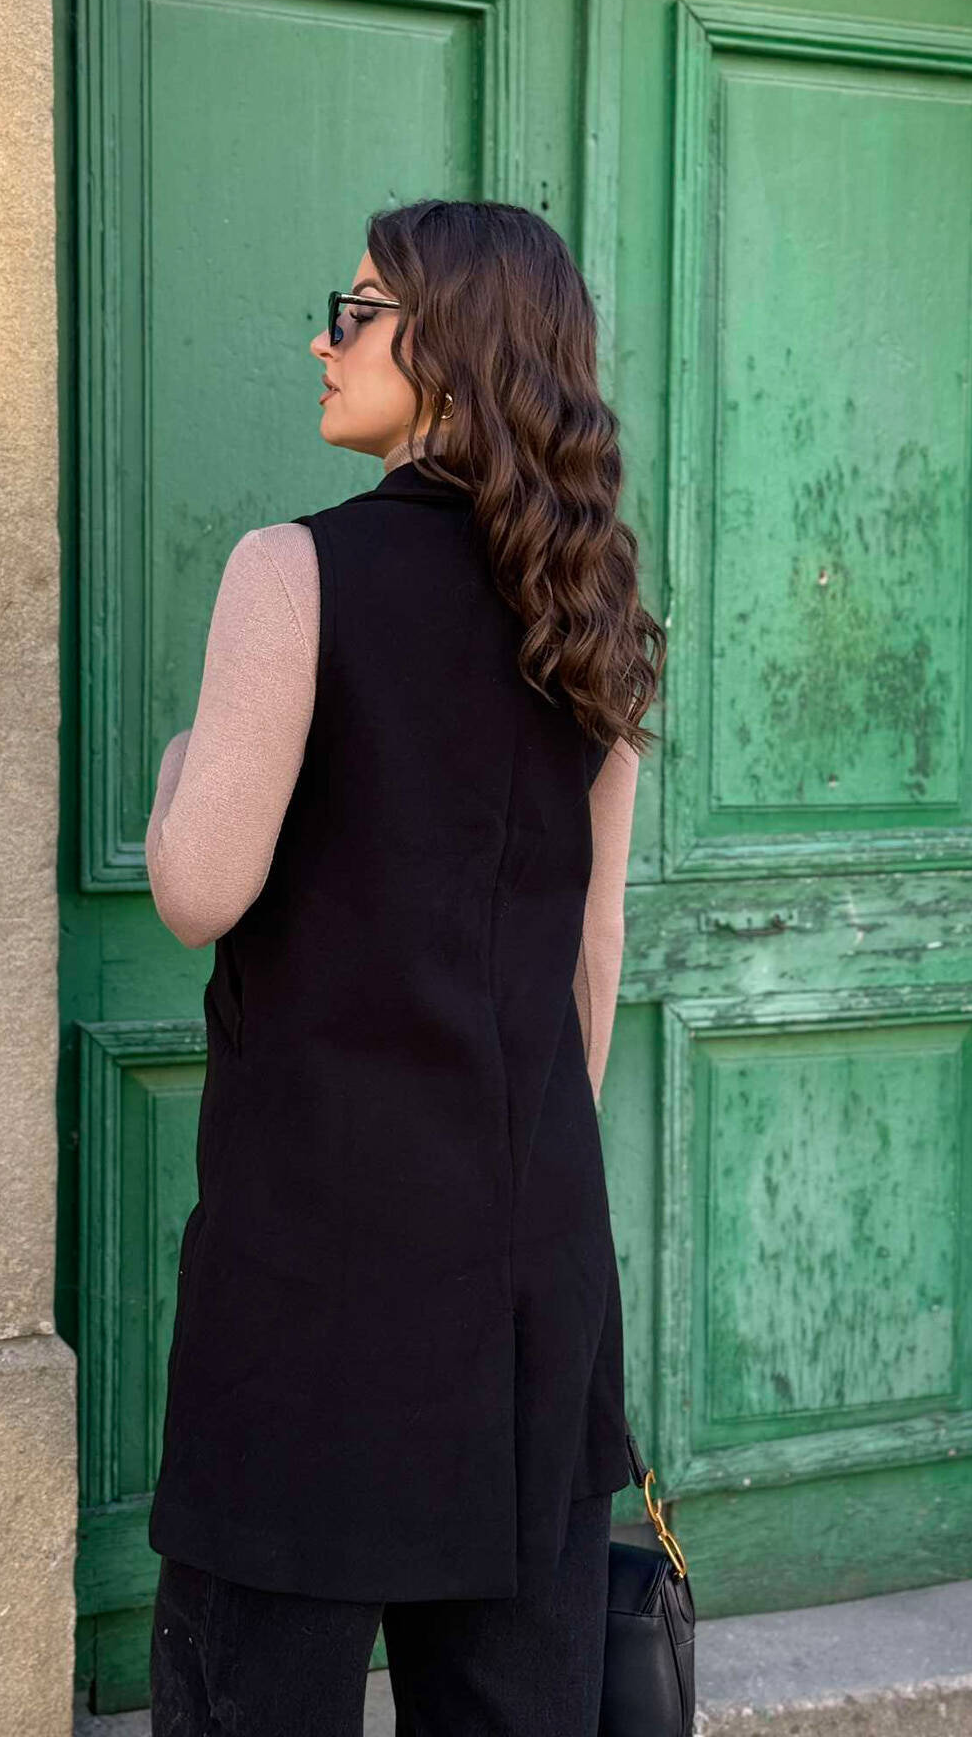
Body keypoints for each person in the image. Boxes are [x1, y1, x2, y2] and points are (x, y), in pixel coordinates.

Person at [145, 199, 665, 1737]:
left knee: (255, 1701)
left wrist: (179, 767)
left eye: (355, 311)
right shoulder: (591, 608)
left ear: (447, 344)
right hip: (529, 1273)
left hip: (314, 1274)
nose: (323, 340)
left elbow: (197, 888)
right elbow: (591, 966)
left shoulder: (292, 571)